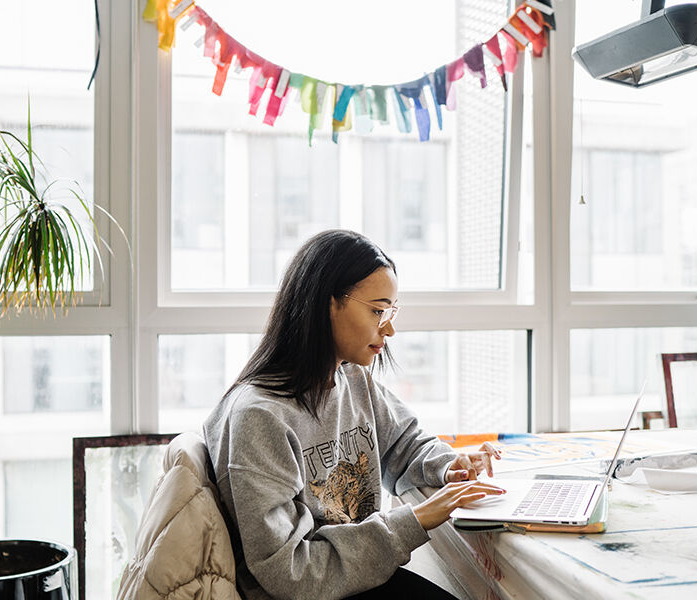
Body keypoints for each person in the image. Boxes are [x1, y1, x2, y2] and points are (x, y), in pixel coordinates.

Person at [203, 229, 505, 600]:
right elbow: (290, 571)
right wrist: (417, 519)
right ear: (328, 303)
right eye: (378, 311)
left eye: (391, 311)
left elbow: (404, 444)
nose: (389, 329)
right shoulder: (260, 417)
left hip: (356, 581)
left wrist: (450, 464)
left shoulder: (351, 377)